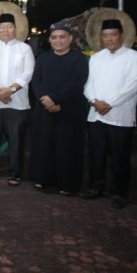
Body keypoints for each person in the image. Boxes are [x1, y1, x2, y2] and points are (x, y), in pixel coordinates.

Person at [81, 18, 137, 209]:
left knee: (120, 156)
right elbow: (88, 84)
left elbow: (134, 85)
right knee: (96, 154)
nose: (109, 39)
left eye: (113, 35)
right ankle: (96, 187)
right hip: (96, 114)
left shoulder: (134, 57)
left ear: (122, 36)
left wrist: (110, 103)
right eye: (105, 35)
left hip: (120, 115)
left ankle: (119, 192)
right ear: (101, 37)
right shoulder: (96, 58)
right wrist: (94, 101)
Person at [28, 22, 89, 195]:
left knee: (67, 146)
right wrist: (44, 99)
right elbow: (36, 80)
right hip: (44, 108)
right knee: (44, 144)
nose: (58, 41)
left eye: (62, 37)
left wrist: (55, 99)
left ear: (70, 38)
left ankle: (67, 183)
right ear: (50, 40)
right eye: (54, 37)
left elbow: (77, 82)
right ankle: (42, 178)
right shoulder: (43, 58)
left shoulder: (79, 58)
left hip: (69, 109)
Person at [0, 13, 34, 186]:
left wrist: (10, 90)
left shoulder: (25, 49)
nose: (6, 30)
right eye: (2, 27)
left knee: (16, 140)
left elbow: (28, 73)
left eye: (9, 26)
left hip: (17, 103)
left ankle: (15, 173)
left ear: (15, 29)